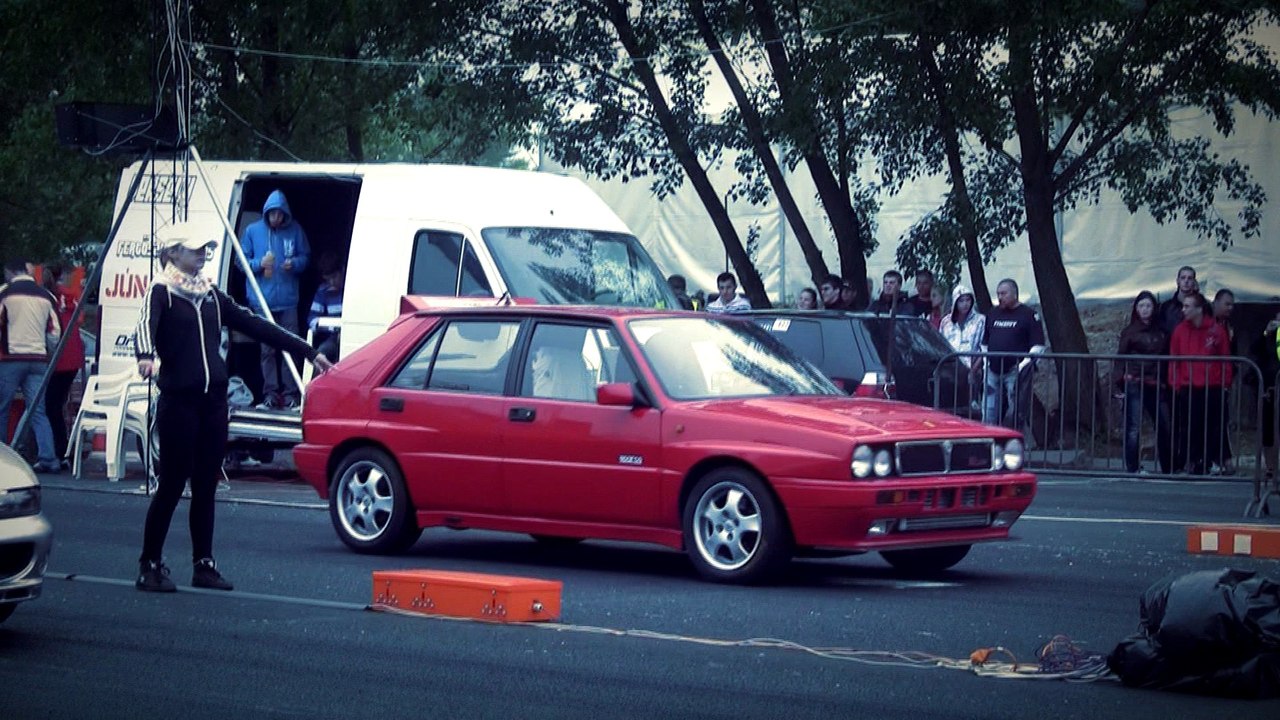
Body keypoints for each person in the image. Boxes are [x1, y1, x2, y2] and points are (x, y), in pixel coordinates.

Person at [133, 224, 333, 593]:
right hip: (178, 400)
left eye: (206, 249)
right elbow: (144, 327)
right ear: (173, 253)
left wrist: (308, 351)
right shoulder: (161, 291)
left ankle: (203, 565)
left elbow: (258, 325)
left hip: (213, 403)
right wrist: (145, 357)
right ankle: (149, 563)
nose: (203, 254)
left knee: (207, 483)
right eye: (195, 250)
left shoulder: (209, 295)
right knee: (173, 483)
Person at [242, 189, 311, 410]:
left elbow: (306, 257)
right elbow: (240, 260)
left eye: (280, 214)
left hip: (288, 300)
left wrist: (296, 265)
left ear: (285, 214)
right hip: (262, 301)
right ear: (266, 213)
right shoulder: (253, 231)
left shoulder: (295, 229)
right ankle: (270, 394)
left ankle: (291, 394)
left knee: (291, 346)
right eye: (272, 214)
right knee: (267, 350)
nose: (276, 218)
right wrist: (258, 264)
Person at [0, 258, 61, 472]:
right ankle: (48, 458)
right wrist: (47, 352)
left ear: (9, 272)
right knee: (38, 411)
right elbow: (54, 333)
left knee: (3, 409)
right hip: (38, 359)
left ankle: (3, 458)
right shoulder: (46, 296)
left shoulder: (5, 293)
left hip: (10, 359)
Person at [1167, 292, 1230, 476]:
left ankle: (1211, 461)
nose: (1183, 309)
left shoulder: (1216, 330)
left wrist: (1225, 382)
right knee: (1190, 427)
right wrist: (1176, 383)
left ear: (1199, 309)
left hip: (1213, 386)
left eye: (1188, 306)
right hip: (1189, 386)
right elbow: (1174, 359)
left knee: (1213, 426)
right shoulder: (1179, 330)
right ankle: (1191, 461)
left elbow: (1225, 357)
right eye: (1183, 306)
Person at [1114, 291, 1172, 474]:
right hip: (1134, 381)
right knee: (1133, 427)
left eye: (1148, 306)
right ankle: (1133, 466)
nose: (1145, 310)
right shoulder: (1129, 332)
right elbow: (1120, 358)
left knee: (1164, 425)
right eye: (1141, 306)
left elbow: (1166, 356)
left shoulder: (1162, 332)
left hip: (1156, 382)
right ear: (1136, 309)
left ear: (1154, 308)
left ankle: (1168, 467)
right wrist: (1119, 383)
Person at [976, 279, 1045, 433]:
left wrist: (1024, 365)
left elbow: (1038, 345)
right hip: (993, 371)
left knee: (1016, 411)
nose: (1000, 297)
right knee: (989, 409)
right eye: (998, 294)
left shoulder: (1029, 315)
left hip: (1015, 371)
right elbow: (985, 342)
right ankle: (988, 440)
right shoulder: (993, 313)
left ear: (1014, 293)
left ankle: (1015, 443)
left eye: (1004, 293)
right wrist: (987, 362)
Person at [42, 264, 85, 468]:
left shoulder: (48, 297)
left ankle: (57, 452)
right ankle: (63, 450)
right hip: (73, 357)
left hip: (57, 358)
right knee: (56, 406)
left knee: (50, 407)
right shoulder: (72, 296)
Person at [940, 284, 984, 413]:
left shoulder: (980, 320)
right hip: (950, 368)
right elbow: (941, 344)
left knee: (971, 406)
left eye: (968, 300)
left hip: (972, 368)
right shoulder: (946, 322)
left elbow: (984, 347)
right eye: (961, 301)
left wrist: (974, 369)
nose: (965, 304)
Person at [1212, 288, 1239, 473]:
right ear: (1217, 302)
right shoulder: (1209, 324)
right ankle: (1220, 458)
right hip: (1211, 378)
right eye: (1227, 304)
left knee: (1221, 419)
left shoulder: (1227, 325)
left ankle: (1224, 458)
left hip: (1223, 378)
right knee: (1214, 421)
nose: (1230, 308)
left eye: (1232, 305)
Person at [1252, 308, 1280, 480]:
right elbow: (1255, 350)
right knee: (1269, 428)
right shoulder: (1267, 335)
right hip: (1269, 386)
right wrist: (1265, 333)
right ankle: (1271, 467)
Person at [308, 252, 345, 362]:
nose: (332, 282)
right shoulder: (322, 291)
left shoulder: (352, 288)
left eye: (334, 277)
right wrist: (332, 327)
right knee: (321, 355)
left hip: (355, 335)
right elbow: (312, 319)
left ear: (342, 270)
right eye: (328, 279)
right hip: (333, 338)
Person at [1157, 266, 1198, 336]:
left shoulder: (1203, 306)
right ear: (1178, 281)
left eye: (1190, 278)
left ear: (1194, 282)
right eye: (1183, 278)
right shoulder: (1165, 307)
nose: (1186, 281)